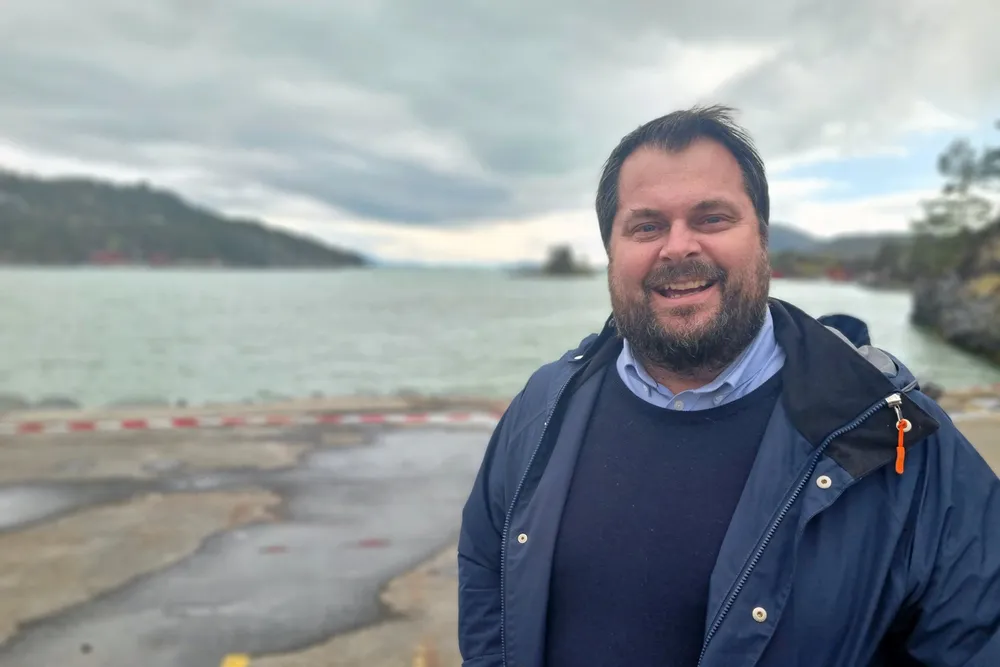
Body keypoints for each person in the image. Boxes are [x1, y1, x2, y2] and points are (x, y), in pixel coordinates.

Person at [457, 105, 1000, 667]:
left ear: (761, 237)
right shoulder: (544, 405)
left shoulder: (892, 436)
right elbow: (486, 574)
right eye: (646, 226)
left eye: (712, 218)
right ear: (612, 253)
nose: (678, 247)